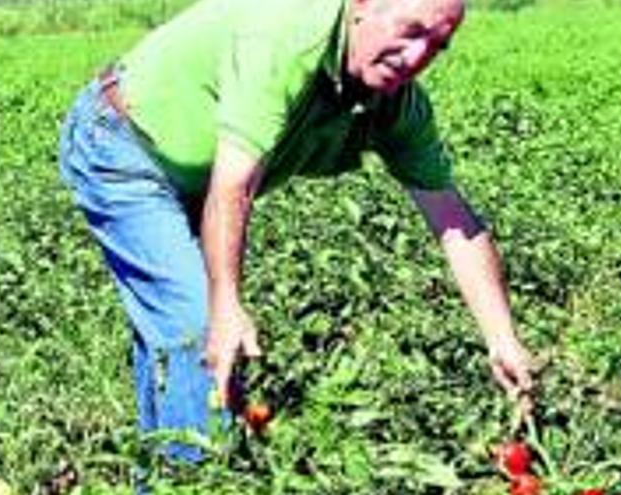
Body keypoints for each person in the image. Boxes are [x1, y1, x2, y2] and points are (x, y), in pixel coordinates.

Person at [58, 0, 535, 481]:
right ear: (363, 6)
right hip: (124, 146)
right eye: (410, 30)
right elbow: (234, 186)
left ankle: (165, 480)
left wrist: (503, 339)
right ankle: (201, 482)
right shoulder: (287, 38)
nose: (415, 57)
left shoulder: (396, 103)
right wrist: (226, 306)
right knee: (198, 326)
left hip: (198, 178)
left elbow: (453, 219)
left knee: (177, 336)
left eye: (436, 45)